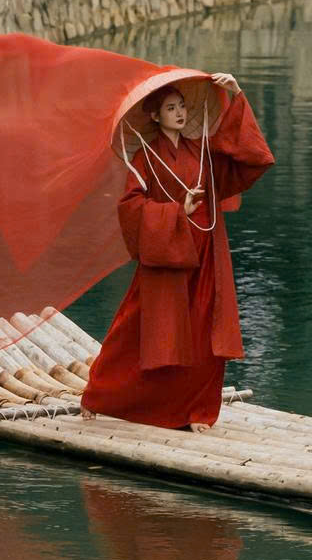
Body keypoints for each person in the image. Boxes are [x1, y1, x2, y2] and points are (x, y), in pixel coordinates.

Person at [79, 73, 274, 430]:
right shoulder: (145, 157)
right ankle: (100, 395)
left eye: (182, 106)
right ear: (156, 116)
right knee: (136, 327)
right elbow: (130, 207)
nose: (180, 113)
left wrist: (236, 94)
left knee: (203, 331)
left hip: (205, 253)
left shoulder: (201, 150)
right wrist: (176, 212)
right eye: (171, 108)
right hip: (165, 252)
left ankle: (197, 410)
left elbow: (248, 155)